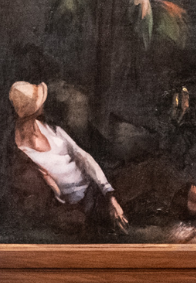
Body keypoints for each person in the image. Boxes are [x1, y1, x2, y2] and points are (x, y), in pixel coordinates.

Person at [9, 80, 128, 235]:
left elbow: (84, 157)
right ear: (34, 109)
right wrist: (55, 192)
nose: (43, 105)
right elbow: (45, 195)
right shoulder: (21, 152)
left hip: (96, 189)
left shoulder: (53, 130)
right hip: (77, 207)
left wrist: (109, 195)